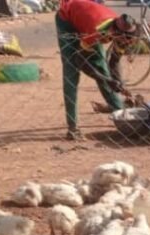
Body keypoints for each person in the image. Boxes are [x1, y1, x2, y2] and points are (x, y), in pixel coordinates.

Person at [55, 0, 135, 140]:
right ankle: (72, 128)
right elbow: (80, 61)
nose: (123, 43)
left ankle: (122, 116)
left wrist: (118, 83)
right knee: (71, 73)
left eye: (125, 41)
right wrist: (107, 80)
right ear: (114, 32)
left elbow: (114, 61)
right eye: (121, 40)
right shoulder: (96, 31)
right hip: (67, 21)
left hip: (86, 22)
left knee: (102, 68)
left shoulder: (126, 34)